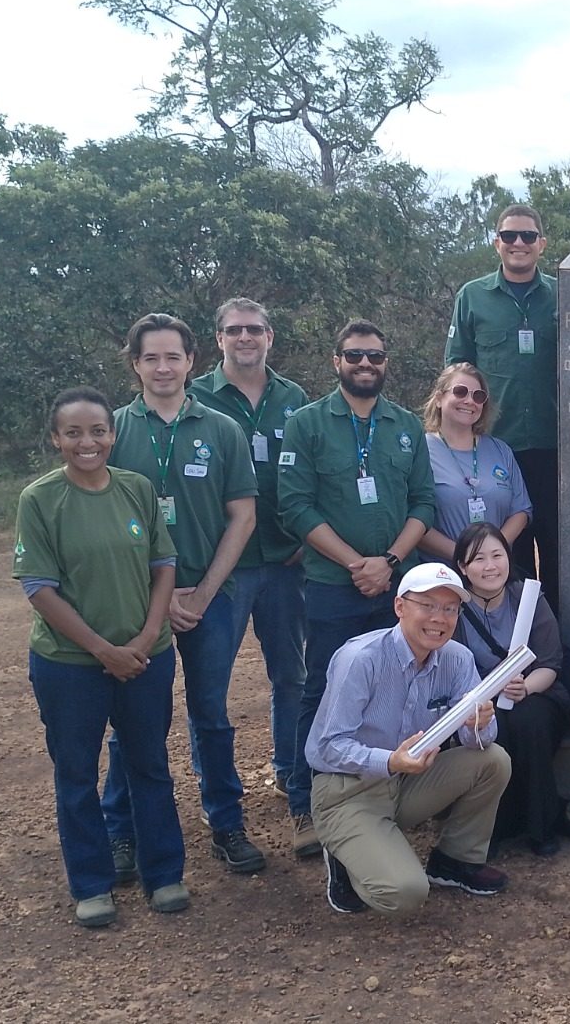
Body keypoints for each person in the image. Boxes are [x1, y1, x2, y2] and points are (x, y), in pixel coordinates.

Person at [13, 386, 188, 926]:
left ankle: (165, 874)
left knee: (150, 766)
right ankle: (92, 884)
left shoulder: (136, 489)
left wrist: (145, 637)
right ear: (56, 439)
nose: (87, 442)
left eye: (97, 431)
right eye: (74, 433)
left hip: (145, 657)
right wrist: (102, 649)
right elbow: (39, 587)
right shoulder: (39, 500)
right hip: (70, 663)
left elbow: (163, 565)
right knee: (76, 771)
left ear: (112, 435)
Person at [104, 313, 264, 877]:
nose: (163, 367)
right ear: (135, 365)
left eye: (174, 356)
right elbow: (105, 517)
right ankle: (120, 834)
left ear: (192, 361)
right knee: (134, 719)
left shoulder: (221, 429)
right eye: (151, 358)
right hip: (138, 600)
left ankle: (226, 824)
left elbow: (241, 518)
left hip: (209, 596)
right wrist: (160, 595)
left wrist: (200, 595)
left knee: (211, 715)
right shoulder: (114, 429)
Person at [278, 319, 436, 860]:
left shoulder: (406, 425)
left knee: (396, 689)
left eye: (375, 356)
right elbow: (295, 505)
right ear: (335, 360)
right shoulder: (306, 424)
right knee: (322, 689)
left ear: (386, 362)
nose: (365, 365)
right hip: (333, 584)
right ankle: (306, 801)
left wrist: (389, 561)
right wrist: (355, 564)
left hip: (398, 585)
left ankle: (382, 794)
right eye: (354, 356)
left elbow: (423, 504)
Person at [307, 563, 511, 916]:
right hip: (349, 791)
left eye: (449, 609)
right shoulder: (361, 659)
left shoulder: (458, 658)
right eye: (427, 605)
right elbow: (326, 746)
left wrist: (478, 723)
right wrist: (388, 761)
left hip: (406, 782)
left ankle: (455, 861)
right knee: (405, 894)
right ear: (400, 607)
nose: (439, 618)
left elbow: (478, 742)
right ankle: (344, 854)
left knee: (493, 760)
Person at [189, 297, 310, 801]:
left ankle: (289, 769)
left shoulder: (294, 397)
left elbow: (309, 471)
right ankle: (214, 784)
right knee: (210, 683)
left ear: (269, 337)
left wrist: (306, 539)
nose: (245, 338)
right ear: (218, 339)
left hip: (285, 560)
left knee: (291, 675)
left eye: (255, 330)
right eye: (234, 330)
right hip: (223, 566)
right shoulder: (196, 397)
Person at [444, 204, 560, 607]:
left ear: (541, 244)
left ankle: (560, 646)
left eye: (527, 236)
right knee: (509, 554)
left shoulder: (563, 295)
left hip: (555, 447)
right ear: (497, 243)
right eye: (509, 235)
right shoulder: (472, 297)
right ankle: (514, 647)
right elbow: (456, 370)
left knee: (560, 550)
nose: (518, 243)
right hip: (495, 448)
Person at [452, 522, 570, 856]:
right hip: (478, 698)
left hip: (536, 691)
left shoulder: (528, 597)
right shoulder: (453, 608)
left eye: (497, 555)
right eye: (479, 559)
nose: (490, 566)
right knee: (493, 728)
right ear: (462, 567)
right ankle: (496, 826)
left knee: (529, 723)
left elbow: (551, 662)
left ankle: (540, 827)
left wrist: (524, 687)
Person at [416, 362, 531, 560]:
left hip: (494, 575)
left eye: (478, 396)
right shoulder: (420, 451)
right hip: (443, 577)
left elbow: (521, 510)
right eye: (460, 392)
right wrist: (464, 557)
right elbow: (412, 518)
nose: (470, 401)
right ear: (438, 399)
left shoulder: (500, 450)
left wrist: (492, 555)